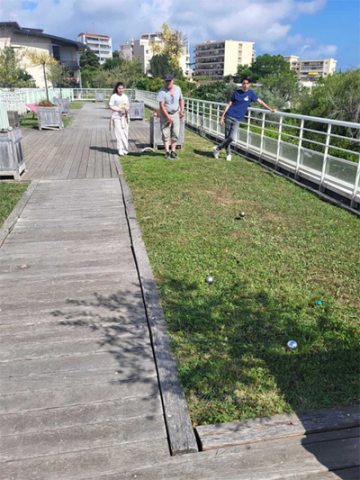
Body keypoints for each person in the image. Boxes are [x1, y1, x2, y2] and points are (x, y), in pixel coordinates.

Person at [213, 77, 275, 161]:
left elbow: (260, 102)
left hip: (237, 119)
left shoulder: (251, 93)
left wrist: (270, 109)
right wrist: (222, 116)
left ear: (249, 84)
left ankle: (217, 149)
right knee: (227, 137)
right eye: (243, 83)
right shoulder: (236, 92)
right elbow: (229, 104)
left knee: (231, 138)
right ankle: (228, 154)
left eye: (247, 83)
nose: (245, 85)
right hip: (229, 116)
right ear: (242, 84)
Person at [156, 73, 185, 159]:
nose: (168, 83)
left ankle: (173, 151)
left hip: (175, 113)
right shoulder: (162, 91)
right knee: (166, 133)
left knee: (175, 132)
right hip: (165, 114)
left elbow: (181, 99)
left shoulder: (178, 89)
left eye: (170, 81)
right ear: (164, 82)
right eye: (166, 81)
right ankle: (167, 152)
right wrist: (167, 116)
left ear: (173, 81)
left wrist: (182, 110)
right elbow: (162, 105)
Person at [109, 82, 130, 156]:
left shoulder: (125, 97)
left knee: (125, 133)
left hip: (124, 117)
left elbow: (128, 106)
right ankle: (120, 148)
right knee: (119, 133)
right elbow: (111, 106)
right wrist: (118, 109)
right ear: (117, 89)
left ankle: (125, 148)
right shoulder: (114, 96)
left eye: (122, 88)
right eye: (119, 88)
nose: (121, 90)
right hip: (117, 117)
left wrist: (126, 109)